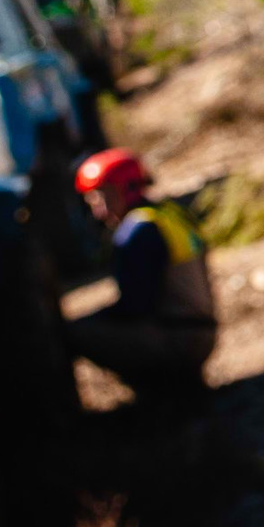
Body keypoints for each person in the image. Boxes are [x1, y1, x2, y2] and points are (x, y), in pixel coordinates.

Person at [64, 147, 217, 404]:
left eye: (103, 198)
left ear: (126, 189)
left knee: (76, 333)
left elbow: (136, 307)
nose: (98, 212)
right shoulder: (170, 213)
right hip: (202, 332)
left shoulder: (137, 232)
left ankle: (160, 391)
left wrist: (94, 319)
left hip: (182, 340)